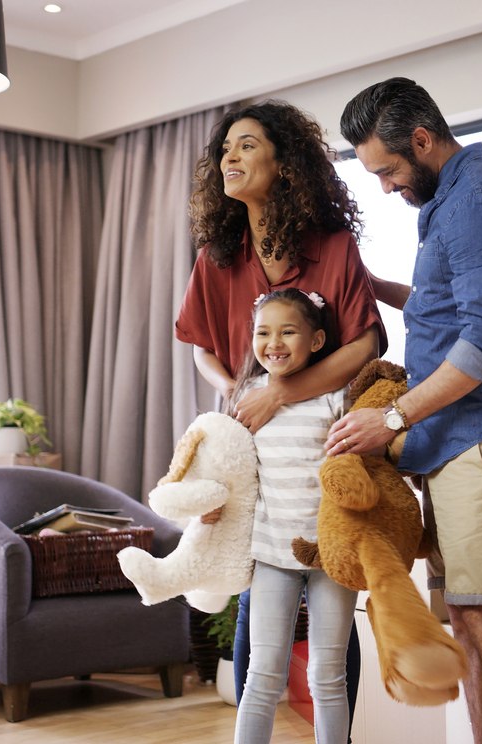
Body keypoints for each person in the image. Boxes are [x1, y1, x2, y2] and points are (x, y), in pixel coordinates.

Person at [327, 77, 482, 744]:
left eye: (389, 170)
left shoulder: (476, 207)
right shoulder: (454, 206)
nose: (387, 187)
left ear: (421, 140)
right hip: (459, 444)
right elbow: (446, 311)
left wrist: (392, 418)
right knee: (470, 619)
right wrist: (366, 287)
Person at [175, 100, 374, 727]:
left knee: (333, 650)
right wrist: (238, 388)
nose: (229, 157)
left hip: (326, 445)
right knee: (257, 633)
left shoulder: (335, 247)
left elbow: (366, 344)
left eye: (247, 146)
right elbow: (203, 349)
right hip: (252, 447)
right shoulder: (216, 256)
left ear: (285, 164)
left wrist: (280, 392)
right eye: (225, 149)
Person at [231, 289, 357, 744]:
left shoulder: (336, 397)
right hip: (271, 553)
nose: (273, 342)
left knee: (328, 674)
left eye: (288, 331)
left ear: (317, 340)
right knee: (263, 673)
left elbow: (361, 467)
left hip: (332, 556)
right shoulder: (247, 398)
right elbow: (234, 470)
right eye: (263, 332)